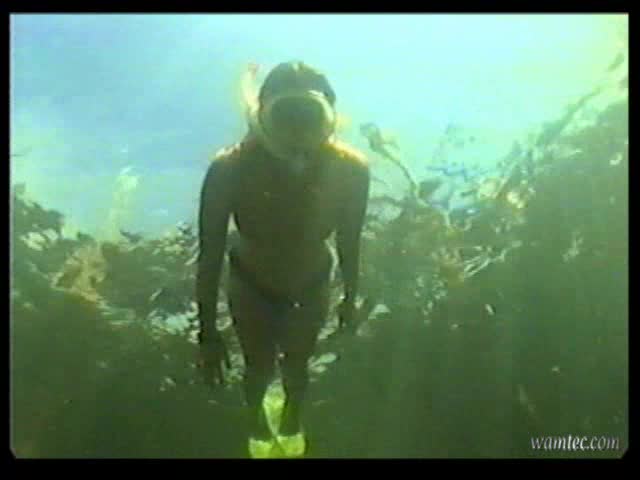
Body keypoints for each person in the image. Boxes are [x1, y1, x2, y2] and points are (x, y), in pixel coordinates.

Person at [196, 61, 370, 458]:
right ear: (263, 116)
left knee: (298, 365)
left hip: (311, 282)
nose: (297, 134)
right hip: (250, 283)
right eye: (287, 117)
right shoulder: (229, 169)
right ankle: (256, 415)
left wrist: (350, 298)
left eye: (308, 117)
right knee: (257, 367)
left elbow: (350, 240)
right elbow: (209, 253)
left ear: (329, 118)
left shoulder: (351, 170)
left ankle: (291, 414)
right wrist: (206, 334)